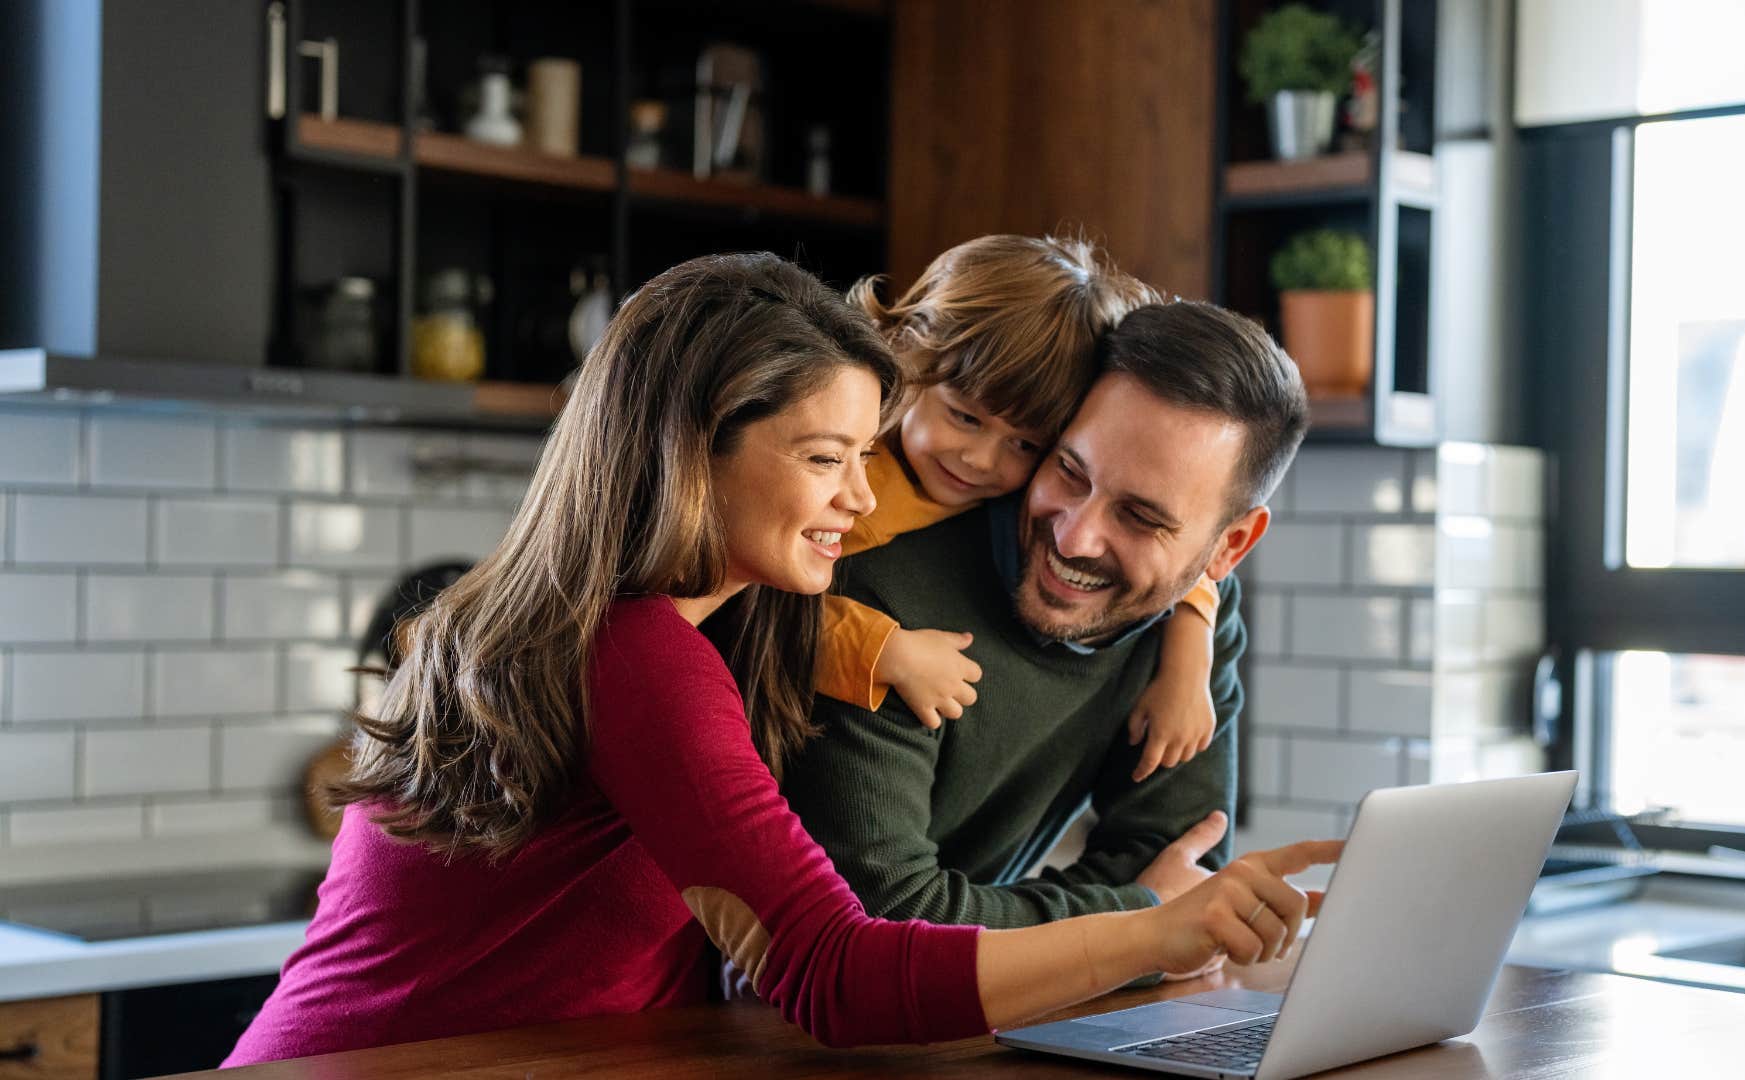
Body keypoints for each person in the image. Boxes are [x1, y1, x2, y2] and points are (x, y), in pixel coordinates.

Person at [222, 253, 1339, 1066]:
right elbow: (833, 972)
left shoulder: (715, 629)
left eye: (866, 453)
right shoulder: (635, 653)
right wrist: (1153, 930)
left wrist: (1193, 600)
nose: (863, 501)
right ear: (694, 453)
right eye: (824, 457)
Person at [784, 299, 1312, 935]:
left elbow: (1176, 860)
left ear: (1226, 549)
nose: (1076, 537)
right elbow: (891, 919)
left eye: (1141, 518)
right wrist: (1141, 922)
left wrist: (1148, 909)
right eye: (1068, 469)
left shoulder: (1185, 628)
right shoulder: (881, 606)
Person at [818, 234, 1222, 781]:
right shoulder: (836, 463)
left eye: (1026, 444)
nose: (980, 461)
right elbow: (743, 605)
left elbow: (1180, 555)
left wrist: (1188, 664)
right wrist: (884, 652)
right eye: (965, 416)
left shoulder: (1025, 494)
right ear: (909, 347)